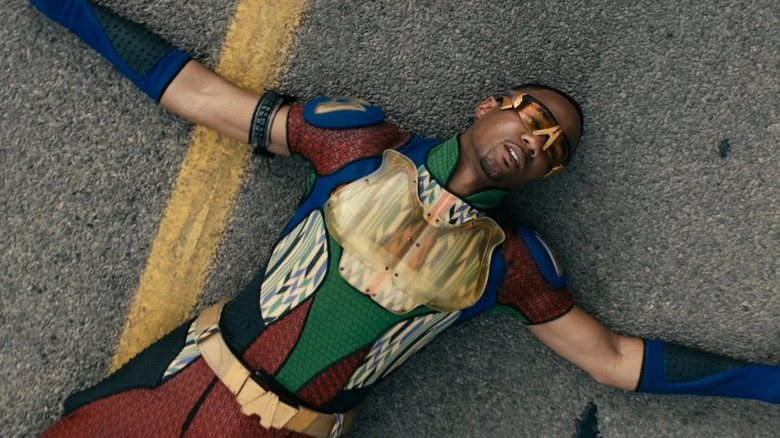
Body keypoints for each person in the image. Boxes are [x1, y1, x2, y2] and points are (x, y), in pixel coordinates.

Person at [29, 1, 779, 437]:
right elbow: (197, 94)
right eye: (535, 118)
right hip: (179, 379)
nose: (537, 141)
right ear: (491, 105)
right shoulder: (354, 141)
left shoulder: (510, 263)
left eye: (554, 151)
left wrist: (769, 385)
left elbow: (611, 359)